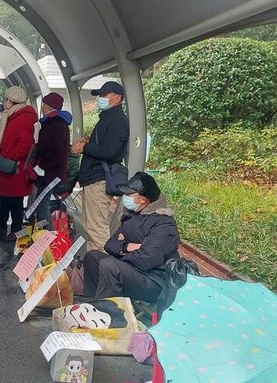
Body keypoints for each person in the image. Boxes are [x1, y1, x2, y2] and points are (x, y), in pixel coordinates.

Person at [82, 171, 179, 303]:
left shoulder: (164, 223)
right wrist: (127, 246)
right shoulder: (132, 215)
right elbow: (110, 245)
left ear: (143, 199)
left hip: (154, 280)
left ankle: (108, 311)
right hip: (133, 269)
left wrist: (121, 254)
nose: (125, 197)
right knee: (92, 256)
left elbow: (147, 258)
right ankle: (92, 302)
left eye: (129, 194)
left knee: (110, 265)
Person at [72, 80, 129, 250]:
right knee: (91, 228)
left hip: (99, 180)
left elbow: (110, 151)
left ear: (117, 98)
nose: (100, 99)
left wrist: (84, 147)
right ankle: (93, 266)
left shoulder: (118, 120)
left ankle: (100, 268)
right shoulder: (108, 118)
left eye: (104, 95)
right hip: (92, 179)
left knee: (97, 230)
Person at [0, 86, 36, 242]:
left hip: (14, 168)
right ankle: (1, 228)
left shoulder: (23, 118)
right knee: (3, 197)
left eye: (7, 99)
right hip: (7, 167)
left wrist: (8, 157)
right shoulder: (12, 115)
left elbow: (25, 144)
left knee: (15, 200)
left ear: (12, 101)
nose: (5, 103)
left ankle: (16, 230)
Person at [31, 92, 72, 229]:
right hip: (51, 173)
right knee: (41, 203)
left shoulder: (55, 124)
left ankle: (47, 237)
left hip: (50, 174)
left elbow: (56, 152)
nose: (42, 108)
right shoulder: (55, 122)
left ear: (48, 106)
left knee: (42, 205)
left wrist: (41, 165)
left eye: (43, 105)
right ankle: (43, 235)